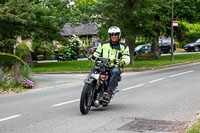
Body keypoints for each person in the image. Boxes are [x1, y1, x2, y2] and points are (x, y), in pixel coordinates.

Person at [92, 26, 130, 101]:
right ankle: (90, 85)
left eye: (116, 34)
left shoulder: (124, 47)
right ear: (109, 35)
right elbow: (97, 53)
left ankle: (109, 92)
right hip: (103, 64)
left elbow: (126, 57)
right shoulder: (103, 44)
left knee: (115, 71)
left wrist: (123, 62)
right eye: (112, 34)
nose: (114, 36)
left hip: (114, 66)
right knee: (95, 68)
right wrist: (93, 56)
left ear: (119, 35)